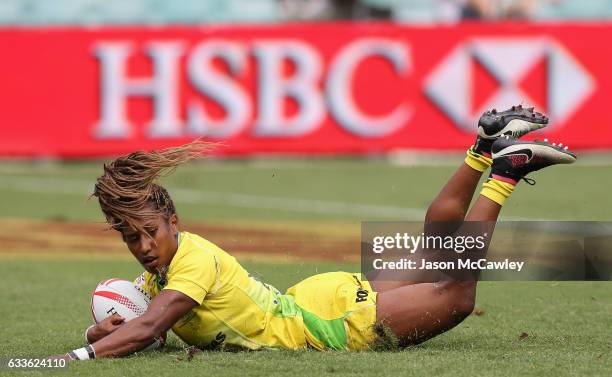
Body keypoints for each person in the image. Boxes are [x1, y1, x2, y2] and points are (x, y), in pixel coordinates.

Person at [61, 105, 575, 360]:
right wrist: (95, 332)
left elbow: (151, 328)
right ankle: (483, 147)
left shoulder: (190, 262)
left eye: (151, 232)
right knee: (439, 255)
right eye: (133, 239)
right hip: (310, 298)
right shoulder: (164, 273)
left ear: (174, 221)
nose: (145, 248)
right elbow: (145, 321)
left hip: (320, 323)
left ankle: (505, 173)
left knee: (457, 293)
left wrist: (74, 356)